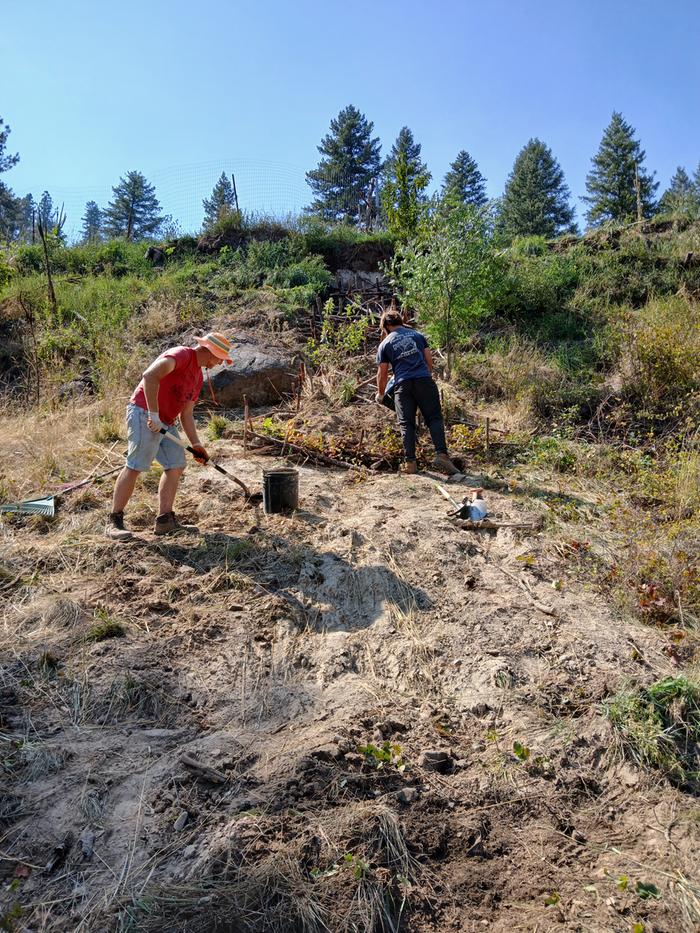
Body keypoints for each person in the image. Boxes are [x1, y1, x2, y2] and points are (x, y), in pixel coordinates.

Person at [106, 332, 233, 541]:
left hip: (165, 421)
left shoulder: (198, 377)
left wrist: (196, 444)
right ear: (211, 353)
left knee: (176, 464)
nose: (220, 363)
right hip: (143, 412)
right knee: (136, 465)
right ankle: (114, 521)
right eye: (220, 358)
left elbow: (187, 414)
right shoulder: (181, 355)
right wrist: (153, 415)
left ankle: (165, 521)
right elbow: (149, 376)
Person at [375, 309, 459, 475]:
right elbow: (429, 361)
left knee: (406, 423)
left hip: (402, 387)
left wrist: (381, 394)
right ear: (401, 322)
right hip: (424, 380)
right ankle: (441, 455)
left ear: (385, 326)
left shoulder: (384, 344)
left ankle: (410, 464)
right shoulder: (417, 336)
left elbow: (382, 373)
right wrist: (423, 378)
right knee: (434, 418)